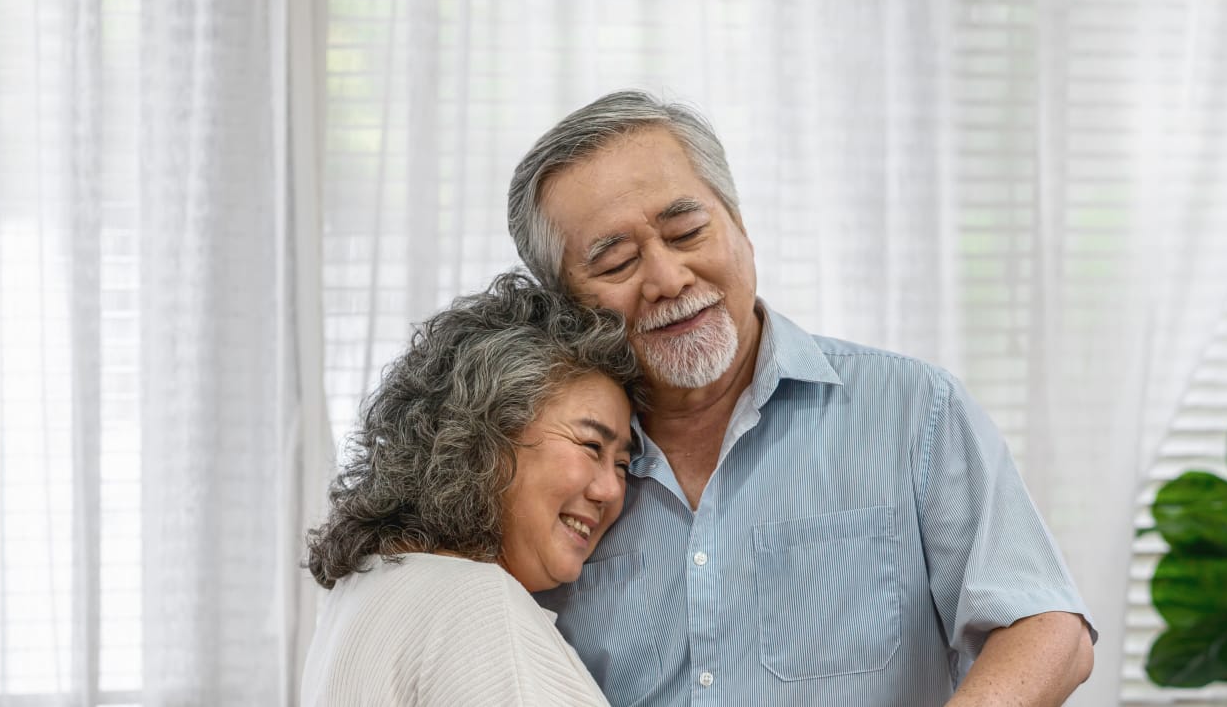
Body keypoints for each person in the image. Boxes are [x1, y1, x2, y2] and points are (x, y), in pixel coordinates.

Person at [512, 91, 1097, 706]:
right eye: (618, 263)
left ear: (741, 229)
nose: (667, 279)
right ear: (563, 306)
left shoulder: (913, 409)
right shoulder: (543, 470)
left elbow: (1048, 627)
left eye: (686, 232)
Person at [300, 272, 648, 706]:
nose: (612, 490)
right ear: (486, 438)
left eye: (622, 464)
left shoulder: (365, 586)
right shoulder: (477, 603)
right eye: (591, 445)